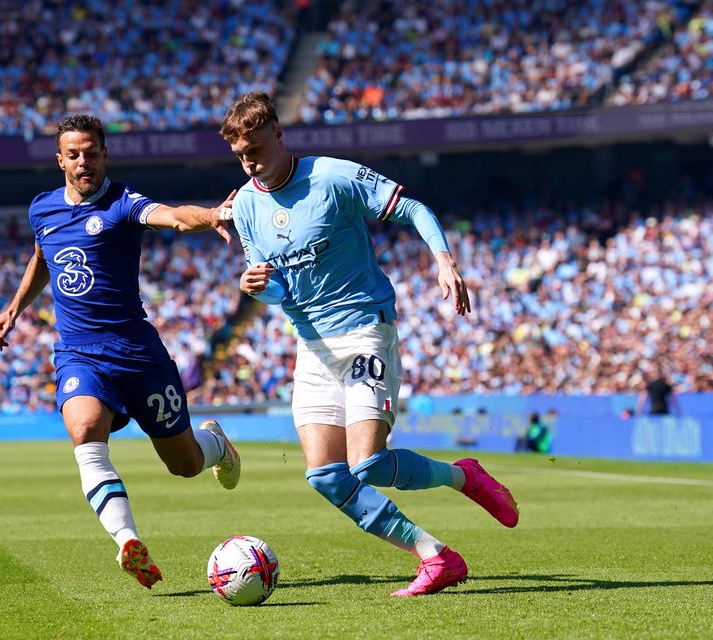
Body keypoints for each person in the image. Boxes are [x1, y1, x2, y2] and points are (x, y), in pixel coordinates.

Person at [220, 92, 519, 597]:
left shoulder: (333, 177)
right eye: (240, 154)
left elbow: (416, 209)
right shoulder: (246, 204)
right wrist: (257, 285)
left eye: (255, 149)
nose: (249, 162)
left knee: (369, 464)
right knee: (327, 477)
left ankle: (462, 476)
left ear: (278, 134)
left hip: (362, 330)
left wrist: (444, 260)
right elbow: (278, 288)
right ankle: (435, 556)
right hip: (311, 348)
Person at [0, 114, 240, 591]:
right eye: (74, 154)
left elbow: (171, 215)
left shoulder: (123, 203)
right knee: (84, 429)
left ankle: (217, 446)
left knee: (184, 464)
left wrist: (209, 216)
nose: (84, 162)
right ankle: (127, 541)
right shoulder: (42, 208)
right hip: (80, 354)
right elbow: (43, 257)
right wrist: (14, 308)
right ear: (60, 159)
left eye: (92, 153)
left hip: (138, 355)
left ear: (105, 155)